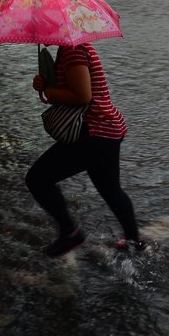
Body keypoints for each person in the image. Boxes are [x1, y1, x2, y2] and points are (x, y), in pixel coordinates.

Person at [27, 43, 144, 257]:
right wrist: (44, 85)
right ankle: (134, 241)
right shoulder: (71, 48)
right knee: (110, 189)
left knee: (37, 179)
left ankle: (70, 233)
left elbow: (83, 96)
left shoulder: (72, 51)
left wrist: (48, 91)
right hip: (107, 129)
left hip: (94, 132)